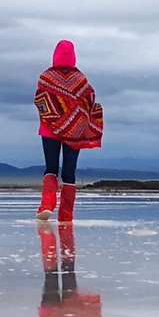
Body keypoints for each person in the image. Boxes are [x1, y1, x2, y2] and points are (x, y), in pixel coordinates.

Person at [33, 40, 103, 222]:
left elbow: (40, 102)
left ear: (54, 55)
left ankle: (47, 205)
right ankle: (66, 215)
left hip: (50, 130)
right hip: (75, 132)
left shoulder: (46, 78)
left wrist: (55, 119)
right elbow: (90, 102)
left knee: (51, 168)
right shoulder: (81, 80)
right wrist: (75, 120)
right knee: (69, 171)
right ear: (74, 57)